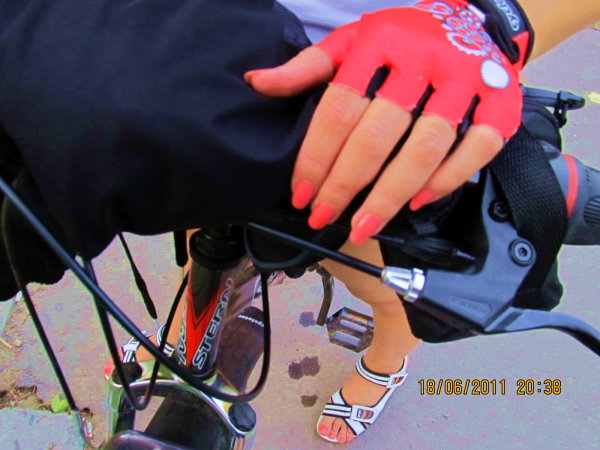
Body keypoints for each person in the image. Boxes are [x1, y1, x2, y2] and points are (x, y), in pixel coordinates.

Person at [243, 0, 600, 443]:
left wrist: (486, 26)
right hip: (227, 71)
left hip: (408, 100)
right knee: (209, 234)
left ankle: (385, 366)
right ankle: (209, 308)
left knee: (386, 287)